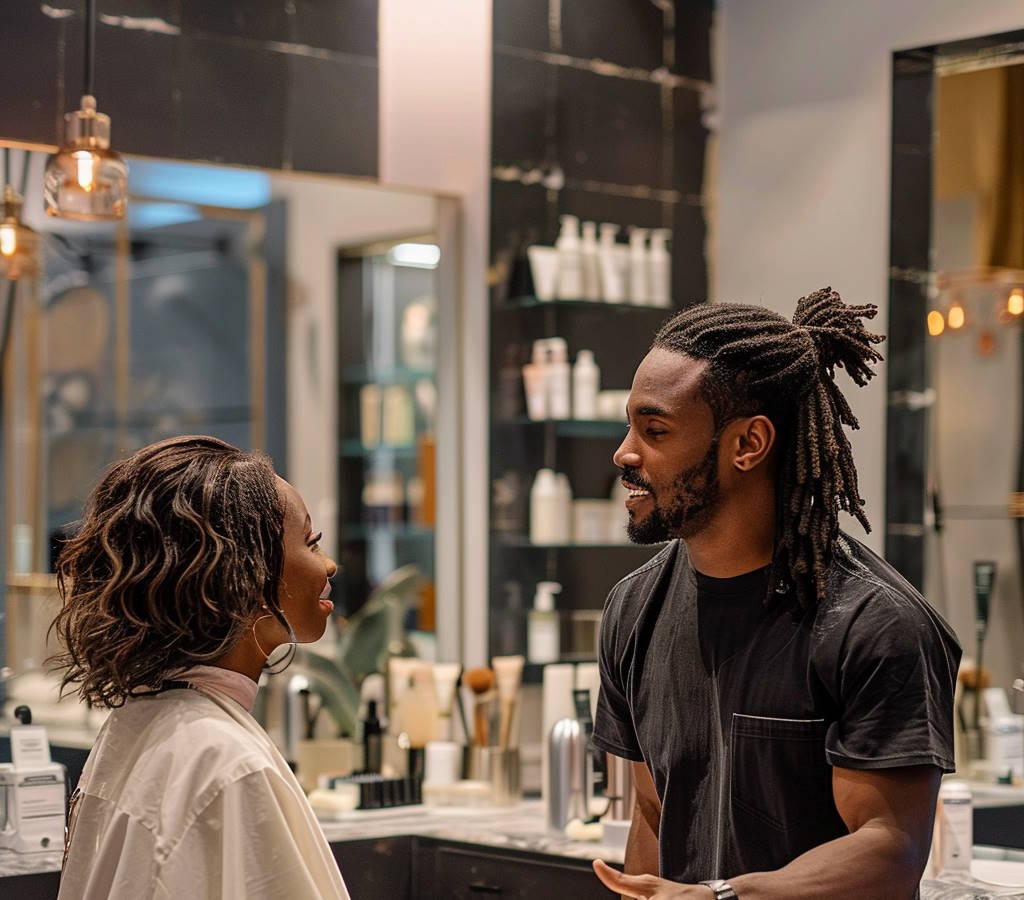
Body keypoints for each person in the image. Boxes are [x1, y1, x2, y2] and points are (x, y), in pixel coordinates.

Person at [590, 289, 961, 900]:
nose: (624, 452)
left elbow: (890, 849)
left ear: (747, 444)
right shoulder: (633, 611)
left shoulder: (873, 624)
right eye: (629, 424)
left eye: (653, 430)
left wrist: (723, 897)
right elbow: (654, 812)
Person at [52, 435, 351, 900]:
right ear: (245, 574)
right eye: (311, 542)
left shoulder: (137, 724)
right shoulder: (225, 762)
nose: (328, 564)